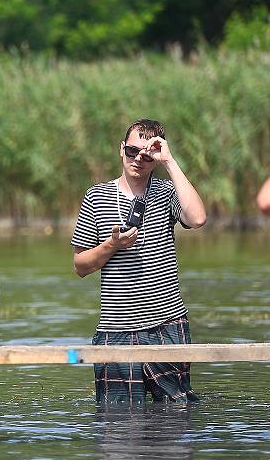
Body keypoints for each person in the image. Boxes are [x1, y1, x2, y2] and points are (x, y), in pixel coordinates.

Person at [71, 118, 207, 404]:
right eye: (132, 152)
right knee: (116, 424)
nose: (138, 160)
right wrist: (112, 245)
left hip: (167, 326)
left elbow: (197, 218)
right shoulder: (97, 196)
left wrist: (169, 162)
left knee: (177, 417)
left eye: (146, 156)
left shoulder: (166, 192)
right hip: (116, 330)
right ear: (122, 149)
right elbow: (81, 265)